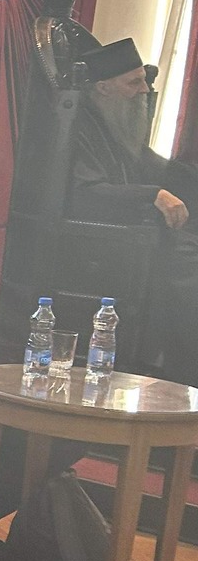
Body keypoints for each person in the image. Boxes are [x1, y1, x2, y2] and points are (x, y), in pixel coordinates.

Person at [69, 37, 198, 383]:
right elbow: (85, 193)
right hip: (98, 246)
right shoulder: (79, 128)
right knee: (189, 268)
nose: (145, 90)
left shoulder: (115, 123)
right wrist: (153, 195)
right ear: (103, 88)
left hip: (134, 236)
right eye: (134, 82)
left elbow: (155, 166)